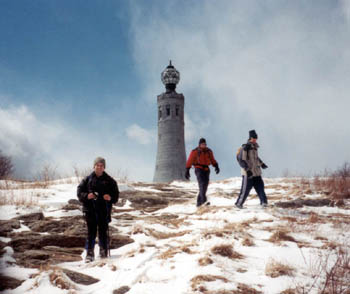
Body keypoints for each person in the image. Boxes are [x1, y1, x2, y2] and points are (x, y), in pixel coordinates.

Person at [77, 157, 119, 262]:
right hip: (90, 210)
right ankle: (89, 253)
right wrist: (87, 196)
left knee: (103, 231)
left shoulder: (110, 181)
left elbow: (116, 196)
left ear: (104, 167)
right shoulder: (87, 180)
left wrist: (110, 198)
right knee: (91, 232)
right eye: (97, 165)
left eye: (101, 166)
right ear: (94, 166)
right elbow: (79, 193)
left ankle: (103, 251)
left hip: (104, 210)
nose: (99, 167)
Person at [235, 130, 268, 209]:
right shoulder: (245, 147)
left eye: (256, 138)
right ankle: (239, 204)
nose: (255, 140)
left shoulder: (255, 147)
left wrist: (262, 164)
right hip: (248, 173)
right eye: (253, 138)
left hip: (256, 172)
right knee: (245, 190)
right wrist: (247, 169)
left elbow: (256, 158)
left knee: (260, 187)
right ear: (250, 138)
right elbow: (240, 159)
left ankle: (264, 203)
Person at [185, 138, 220, 207]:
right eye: (202, 144)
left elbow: (212, 159)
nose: (204, 145)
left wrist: (216, 166)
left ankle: (198, 204)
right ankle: (204, 201)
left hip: (206, 170)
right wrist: (187, 170)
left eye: (205, 144)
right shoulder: (195, 151)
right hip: (198, 169)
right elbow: (190, 160)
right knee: (202, 185)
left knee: (205, 187)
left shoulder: (209, 151)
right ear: (199, 145)